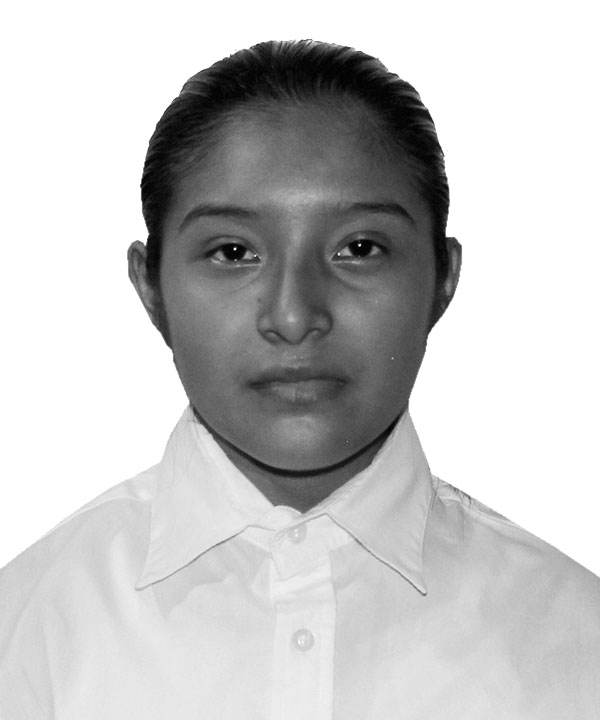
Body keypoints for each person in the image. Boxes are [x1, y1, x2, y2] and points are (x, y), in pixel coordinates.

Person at [0, 39, 598, 720]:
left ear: (443, 279)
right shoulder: (27, 633)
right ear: (151, 287)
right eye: (233, 252)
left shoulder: (576, 643)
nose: (292, 316)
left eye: (359, 248)